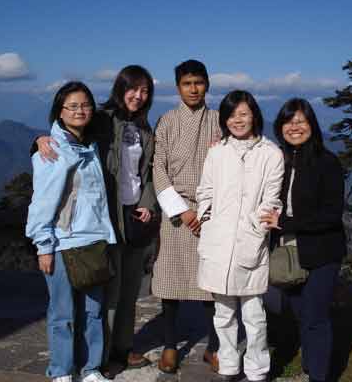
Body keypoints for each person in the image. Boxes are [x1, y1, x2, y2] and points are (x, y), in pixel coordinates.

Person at [34, 66, 158, 378]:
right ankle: (84, 362)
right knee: (96, 299)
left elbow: (147, 172)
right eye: (133, 89)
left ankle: (115, 353)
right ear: (120, 88)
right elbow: (61, 147)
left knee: (121, 294)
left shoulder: (145, 129)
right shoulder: (100, 119)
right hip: (98, 222)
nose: (138, 96)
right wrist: (39, 139)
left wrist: (147, 202)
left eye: (145, 91)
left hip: (124, 220)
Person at [26, 81, 116, 382]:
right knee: (62, 314)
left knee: (94, 312)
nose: (80, 110)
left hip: (93, 240)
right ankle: (62, 371)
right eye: (73, 106)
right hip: (63, 242)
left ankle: (90, 369)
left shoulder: (90, 144)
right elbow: (41, 203)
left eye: (85, 105)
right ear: (60, 112)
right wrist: (44, 246)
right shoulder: (51, 152)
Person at [196, 91, 284, 382]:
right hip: (219, 243)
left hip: (250, 243)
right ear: (224, 119)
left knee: (254, 314)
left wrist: (255, 228)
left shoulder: (270, 153)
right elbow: (205, 191)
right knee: (223, 314)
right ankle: (230, 366)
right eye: (232, 115)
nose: (237, 120)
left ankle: (257, 369)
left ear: (254, 115)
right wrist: (207, 219)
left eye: (243, 114)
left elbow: (272, 199)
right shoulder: (217, 151)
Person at [261, 98, 347, 382]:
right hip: (288, 253)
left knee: (315, 318)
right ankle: (312, 364)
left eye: (301, 120)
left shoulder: (327, 162)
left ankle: (318, 375)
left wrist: (284, 223)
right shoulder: (279, 160)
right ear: (280, 127)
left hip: (322, 252)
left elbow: (332, 215)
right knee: (299, 314)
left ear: (312, 124)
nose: (295, 127)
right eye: (289, 121)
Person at [152, 59, 221, 373]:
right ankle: (169, 344)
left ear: (207, 84)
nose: (194, 89)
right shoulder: (166, 121)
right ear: (178, 87)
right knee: (171, 282)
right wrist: (183, 210)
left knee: (211, 286)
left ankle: (214, 346)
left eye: (199, 82)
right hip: (176, 213)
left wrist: (203, 212)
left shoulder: (220, 120)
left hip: (211, 211)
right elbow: (158, 169)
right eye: (187, 83)